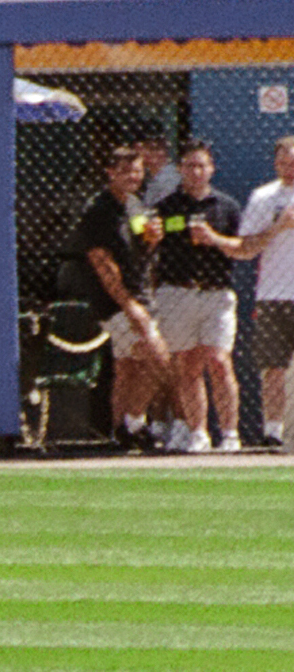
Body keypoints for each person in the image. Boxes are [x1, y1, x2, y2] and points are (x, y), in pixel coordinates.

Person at [63, 144, 173, 452]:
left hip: (141, 295)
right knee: (159, 358)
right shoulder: (99, 210)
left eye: (137, 171)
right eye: (125, 171)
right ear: (110, 172)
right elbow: (102, 262)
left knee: (129, 368)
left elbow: (139, 255)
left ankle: (118, 434)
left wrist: (153, 240)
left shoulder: (136, 205)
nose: (132, 177)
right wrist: (129, 305)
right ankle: (134, 423)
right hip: (118, 302)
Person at [151, 140, 243, 453]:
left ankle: (230, 433)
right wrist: (149, 234)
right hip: (178, 292)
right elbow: (146, 237)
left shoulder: (226, 206)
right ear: (180, 169)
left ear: (212, 169)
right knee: (188, 365)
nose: (196, 171)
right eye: (190, 165)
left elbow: (241, 247)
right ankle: (198, 431)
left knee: (219, 361)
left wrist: (214, 239)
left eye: (202, 165)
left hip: (216, 293)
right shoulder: (167, 207)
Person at [213, 135, 294, 448]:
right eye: (284, 163)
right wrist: (277, 228)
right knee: (273, 367)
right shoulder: (263, 198)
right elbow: (245, 248)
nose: (290, 169)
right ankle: (273, 431)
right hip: (273, 295)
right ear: (275, 164)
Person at [137, 133, 181, 207]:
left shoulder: (171, 177)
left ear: (165, 152)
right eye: (146, 148)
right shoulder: (147, 176)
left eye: (155, 149)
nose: (151, 153)